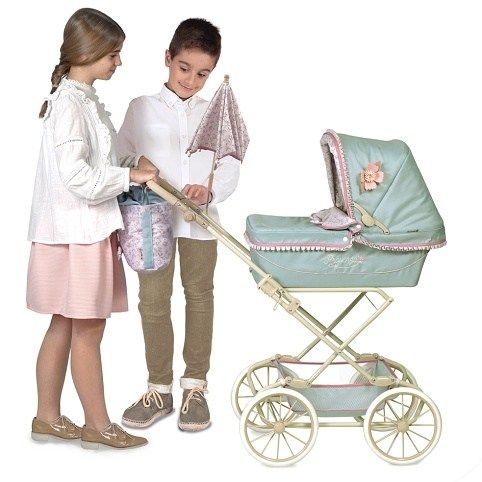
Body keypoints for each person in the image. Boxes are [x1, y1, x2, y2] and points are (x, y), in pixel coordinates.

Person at [27, 7, 156, 449]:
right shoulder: (69, 104)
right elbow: (77, 177)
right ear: (89, 52)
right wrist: (129, 176)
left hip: (72, 230)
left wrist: (130, 163)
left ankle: (46, 417)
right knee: (87, 329)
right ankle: (98, 426)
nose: (118, 62)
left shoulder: (81, 98)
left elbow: (95, 162)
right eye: (113, 54)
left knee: (64, 324)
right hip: (79, 233)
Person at [117, 18, 240, 432]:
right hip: (151, 223)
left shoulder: (215, 113)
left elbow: (229, 163)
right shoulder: (141, 108)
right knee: (153, 301)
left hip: (200, 223)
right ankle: (159, 388)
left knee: (199, 297)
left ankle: (195, 387)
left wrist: (210, 192)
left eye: (203, 73)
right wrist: (138, 164)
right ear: (168, 58)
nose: (191, 80)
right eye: (184, 68)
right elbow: (120, 156)